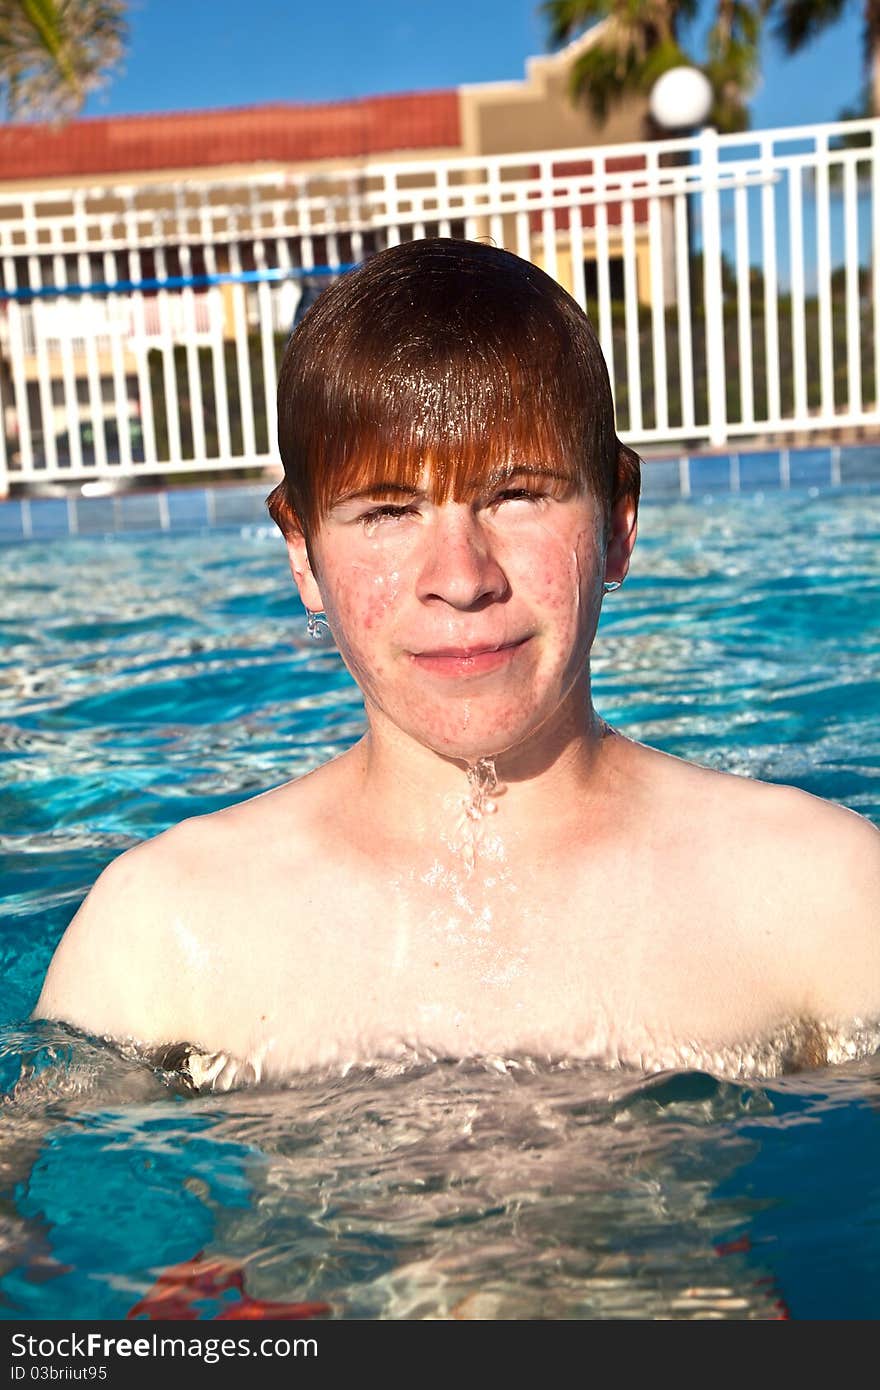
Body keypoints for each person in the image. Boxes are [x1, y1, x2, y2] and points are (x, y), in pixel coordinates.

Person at [33, 239, 880, 1087]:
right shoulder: (166, 936)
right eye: (387, 510)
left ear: (617, 523)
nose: (462, 579)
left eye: (518, 496)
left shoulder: (819, 900)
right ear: (302, 554)